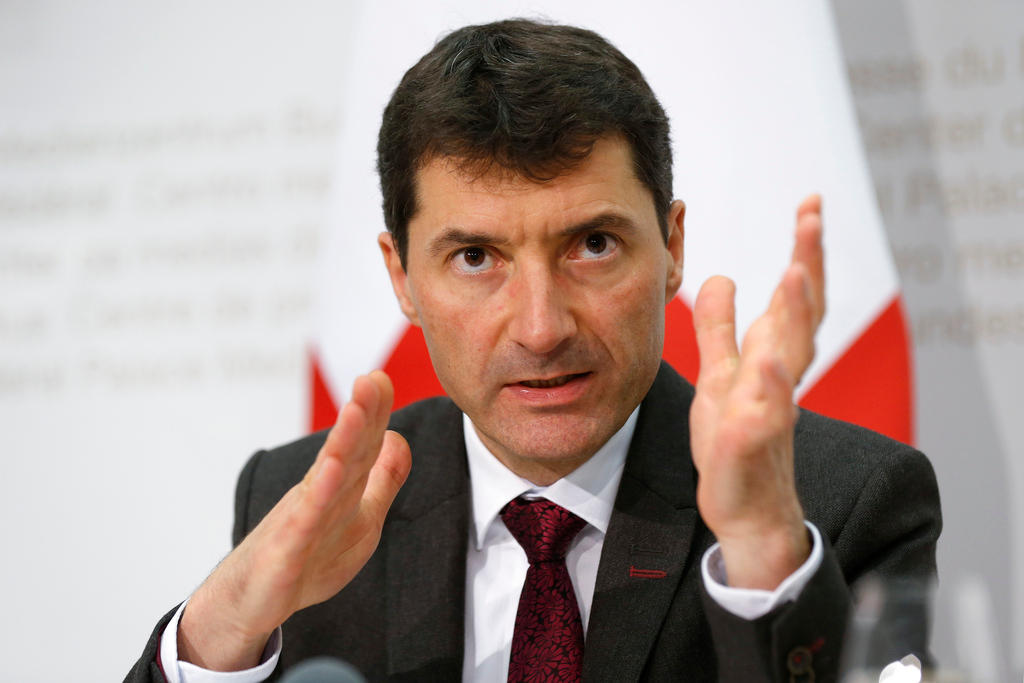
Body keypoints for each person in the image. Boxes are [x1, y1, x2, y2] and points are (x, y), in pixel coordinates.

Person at [126, 18, 940, 683]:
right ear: (401, 277)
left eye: (592, 243)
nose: (541, 327)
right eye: (475, 257)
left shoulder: (839, 501)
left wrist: (763, 552)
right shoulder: (304, 504)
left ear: (672, 246)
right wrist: (218, 630)